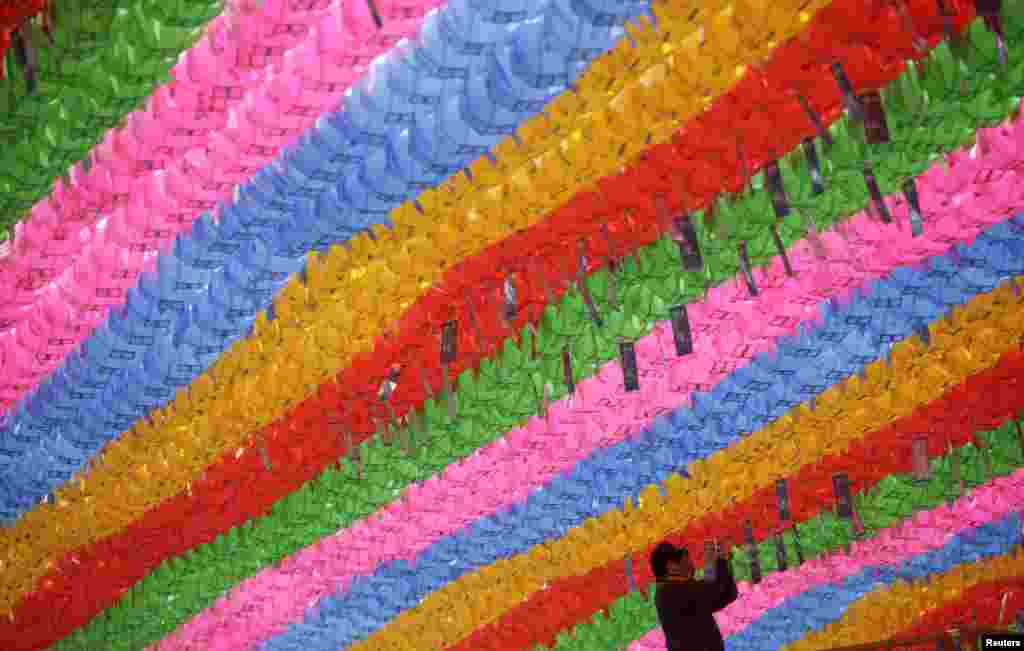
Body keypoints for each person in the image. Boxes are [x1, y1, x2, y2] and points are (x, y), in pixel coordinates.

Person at [651, 540, 738, 651]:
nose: (688, 563)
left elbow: (728, 595)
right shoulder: (669, 591)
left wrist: (724, 561)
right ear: (671, 566)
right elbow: (713, 589)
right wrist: (720, 558)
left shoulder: (676, 588)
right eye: (682, 560)